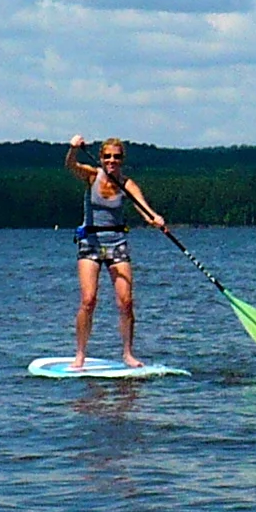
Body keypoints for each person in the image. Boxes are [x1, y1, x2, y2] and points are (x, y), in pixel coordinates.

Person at [65, 135, 166, 368]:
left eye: (117, 157)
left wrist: (155, 219)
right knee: (88, 300)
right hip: (90, 242)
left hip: (117, 242)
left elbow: (145, 210)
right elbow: (70, 165)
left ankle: (128, 353)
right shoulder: (92, 176)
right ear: (101, 158)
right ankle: (80, 354)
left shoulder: (127, 184)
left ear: (122, 160)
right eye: (107, 156)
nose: (112, 161)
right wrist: (73, 149)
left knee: (125, 301)